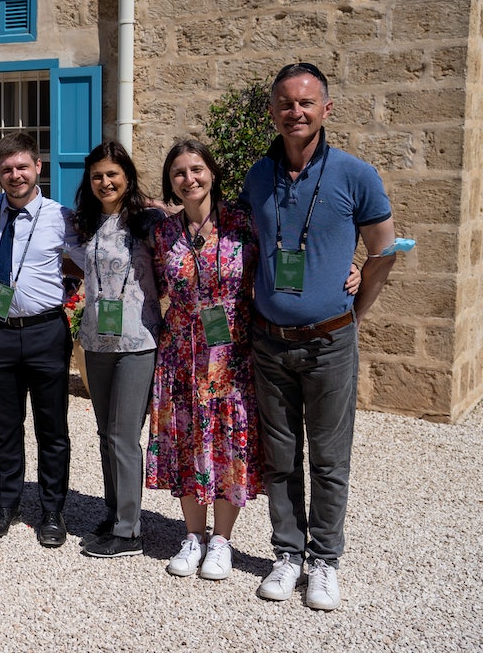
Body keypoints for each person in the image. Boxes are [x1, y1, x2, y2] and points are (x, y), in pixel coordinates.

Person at [241, 62, 396, 611]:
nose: (295, 112)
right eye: (286, 103)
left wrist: (355, 308)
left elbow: (383, 249)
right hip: (270, 342)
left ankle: (325, 559)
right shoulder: (257, 176)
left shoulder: (356, 175)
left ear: (326, 109)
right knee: (280, 456)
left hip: (330, 342)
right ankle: (287, 553)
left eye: (306, 103)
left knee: (330, 458)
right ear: (273, 112)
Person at [0, 132, 82, 548]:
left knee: (52, 429)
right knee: (6, 426)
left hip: (47, 332)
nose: (15, 176)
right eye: (7, 169)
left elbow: (95, 257)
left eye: (22, 167)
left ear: (38, 168)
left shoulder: (61, 216)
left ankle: (51, 510)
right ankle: (6, 504)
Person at [148, 139, 261, 579]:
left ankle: (222, 540)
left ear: (211, 173)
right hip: (181, 353)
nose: (189, 179)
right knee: (187, 438)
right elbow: (150, 284)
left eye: (196, 169)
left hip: (230, 353)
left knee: (226, 439)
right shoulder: (163, 233)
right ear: (171, 183)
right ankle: (193, 535)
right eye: (179, 173)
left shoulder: (242, 224)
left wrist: (348, 269)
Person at [74, 141, 163, 558]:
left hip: (137, 341)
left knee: (125, 435)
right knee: (105, 433)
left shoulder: (150, 220)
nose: (105, 182)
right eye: (97, 176)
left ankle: (129, 531)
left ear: (127, 175)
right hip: (96, 339)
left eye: (112, 174)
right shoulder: (86, 223)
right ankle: (113, 513)